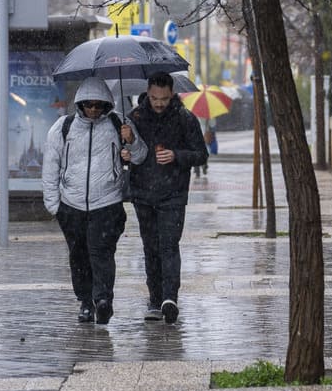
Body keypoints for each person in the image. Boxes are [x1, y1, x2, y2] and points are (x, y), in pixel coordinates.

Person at [42, 76, 146, 324]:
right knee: (78, 256)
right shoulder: (62, 127)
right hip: (71, 205)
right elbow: (50, 166)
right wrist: (54, 206)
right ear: (80, 104)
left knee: (101, 254)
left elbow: (141, 156)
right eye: (89, 105)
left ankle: (103, 299)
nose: (93, 110)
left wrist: (131, 141)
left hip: (107, 204)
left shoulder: (119, 123)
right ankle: (85, 302)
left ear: (106, 105)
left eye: (99, 105)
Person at [125, 71, 208, 324]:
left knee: (169, 246)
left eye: (163, 98)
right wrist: (125, 150)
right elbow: (126, 153)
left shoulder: (185, 118)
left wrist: (176, 156)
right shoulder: (135, 118)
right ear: (147, 94)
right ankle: (154, 299)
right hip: (143, 194)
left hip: (173, 194)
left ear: (172, 94)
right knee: (151, 248)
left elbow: (201, 155)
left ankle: (169, 298)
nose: (158, 103)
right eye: (154, 98)